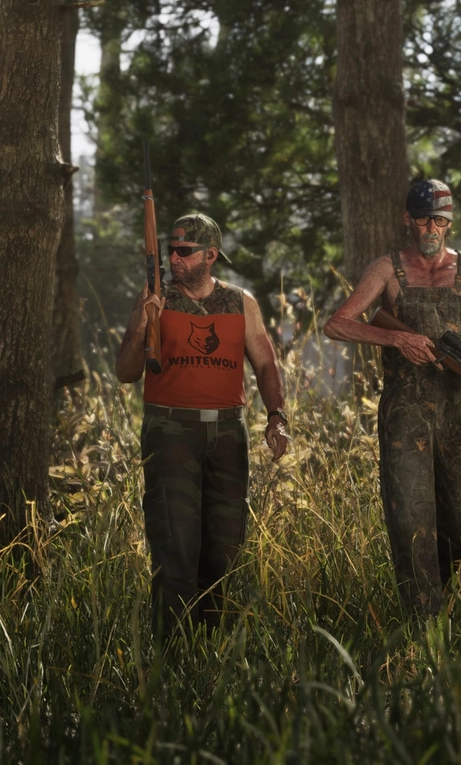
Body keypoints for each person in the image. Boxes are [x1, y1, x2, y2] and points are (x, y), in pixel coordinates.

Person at [324, 179, 461, 617]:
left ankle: (438, 591)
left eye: (439, 220)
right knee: (412, 520)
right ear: (406, 220)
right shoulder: (385, 269)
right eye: (422, 219)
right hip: (405, 411)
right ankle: (423, 625)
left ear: (448, 224)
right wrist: (395, 338)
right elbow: (337, 324)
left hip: (457, 409)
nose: (430, 228)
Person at [115, 212, 290, 637]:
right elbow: (125, 372)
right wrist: (141, 321)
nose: (174, 258)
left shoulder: (239, 302)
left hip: (229, 435)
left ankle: (215, 658)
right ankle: (171, 661)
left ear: (210, 255)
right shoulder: (156, 299)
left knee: (225, 552)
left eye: (185, 251)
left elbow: (266, 362)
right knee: (175, 550)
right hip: (171, 434)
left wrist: (276, 417)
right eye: (170, 250)